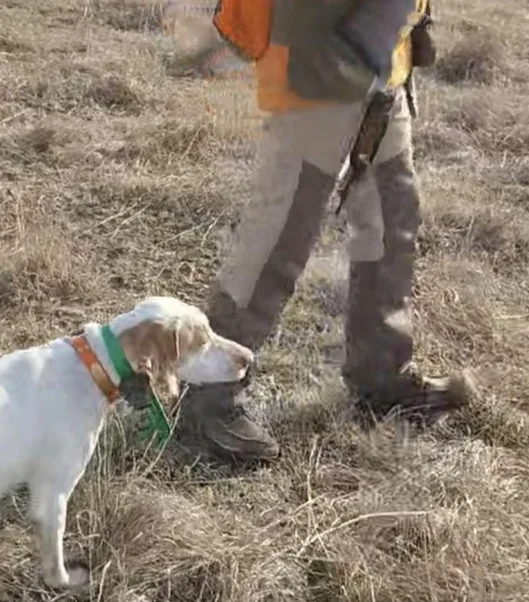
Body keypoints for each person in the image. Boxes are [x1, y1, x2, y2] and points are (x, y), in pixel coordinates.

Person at [171, 1, 473, 463]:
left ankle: (381, 374)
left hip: (383, 56)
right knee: (280, 234)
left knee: (392, 221)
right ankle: (208, 395)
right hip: (317, 54)